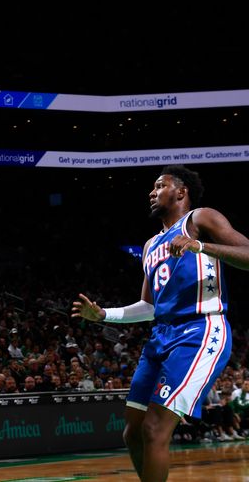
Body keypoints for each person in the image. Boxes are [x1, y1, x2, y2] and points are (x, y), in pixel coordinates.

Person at [72, 165, 249, 482]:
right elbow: (149, 307)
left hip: (200, 330)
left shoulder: (200, 219)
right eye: (152, 188)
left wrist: (200, 246)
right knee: (134, 433)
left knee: (155, 429)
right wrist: (103, 315)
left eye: (159, 186)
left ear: (180, 191)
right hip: (161, 336)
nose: (152, 192)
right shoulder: (150, 246)